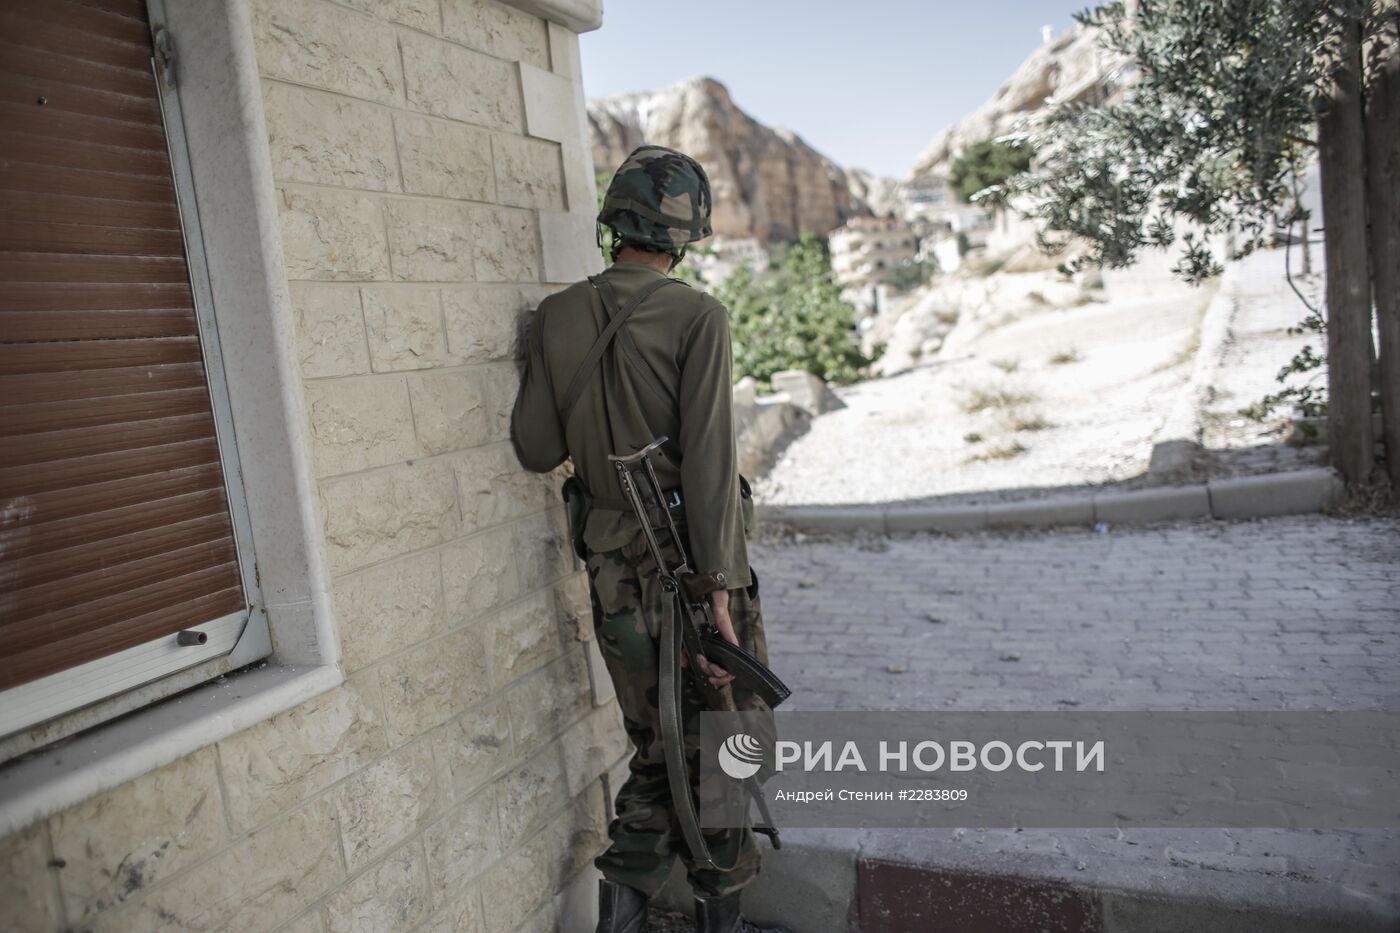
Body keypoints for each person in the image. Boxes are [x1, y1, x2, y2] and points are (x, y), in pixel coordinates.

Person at [511, 145, 787, 933]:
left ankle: (617, 922)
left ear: (616, 221)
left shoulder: (556, 317)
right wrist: (723, 596)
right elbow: (708, 465)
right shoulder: (699, 315)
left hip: (611, 582)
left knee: (657, 753)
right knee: (724, 754)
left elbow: (535, 448)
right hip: (689, 580)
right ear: (686, 230)